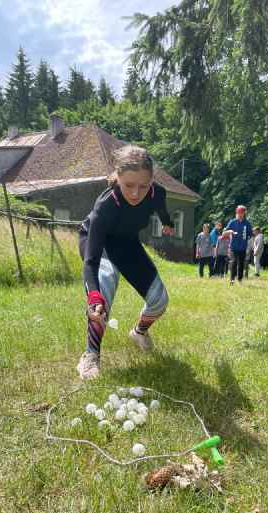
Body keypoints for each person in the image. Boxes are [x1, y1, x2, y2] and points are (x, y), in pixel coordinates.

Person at [76, 145, 174, 380]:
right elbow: (91, 262)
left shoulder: (157, 193)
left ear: (151, 182)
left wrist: (167, 223)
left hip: (127, 243)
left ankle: (139, 333)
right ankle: (90, 356)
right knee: (104, 288)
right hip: (98, 244)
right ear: (117, 177)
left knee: (160, 301)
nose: (135, 194)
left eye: (143, 186)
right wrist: (94, 297)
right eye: (128, 185)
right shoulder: (106, 205)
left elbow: (161, 209)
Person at [222, 205, 254, 284]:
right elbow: (224, 233)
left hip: (243, 247)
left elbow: (251, 234)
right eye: (238, 212)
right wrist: (230, 231)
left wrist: (250, 240)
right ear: (236, 213)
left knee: (241, 263)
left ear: (244, 213)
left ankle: (240, 279)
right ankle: (232, 279)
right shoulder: (232, 222)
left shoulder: (247, 223)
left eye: (241, 213)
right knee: (234, 262)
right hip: (234, 247)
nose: (239, 214)